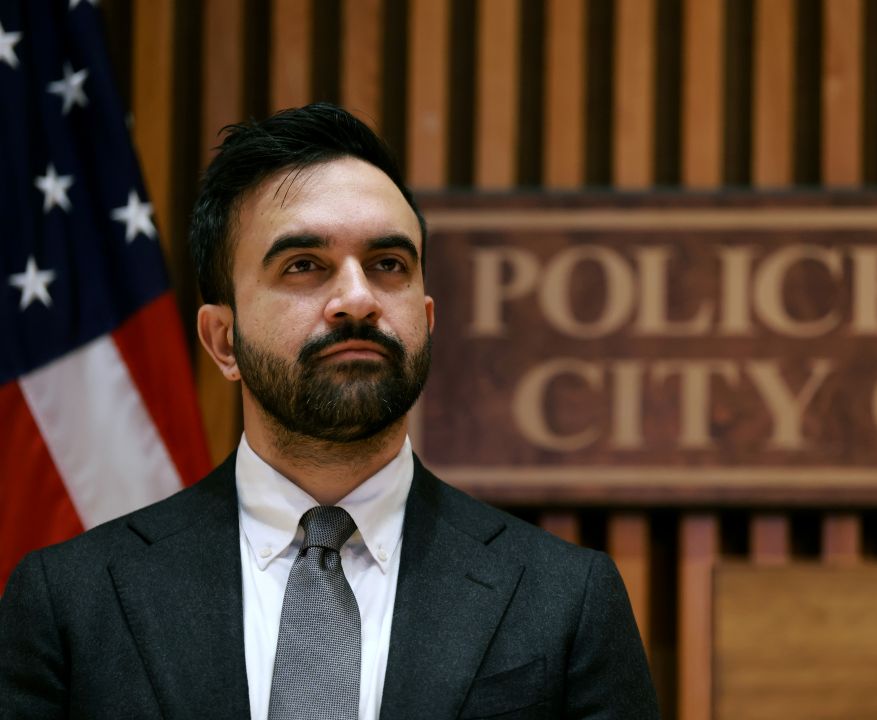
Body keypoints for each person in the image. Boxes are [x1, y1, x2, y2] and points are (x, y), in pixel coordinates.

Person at [0, 103, 659, 719]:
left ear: (427, 320)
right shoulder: (71, 600)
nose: (357, 299)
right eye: (304, 265)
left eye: (388, 263)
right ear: (223, 340)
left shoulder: (566, 599)